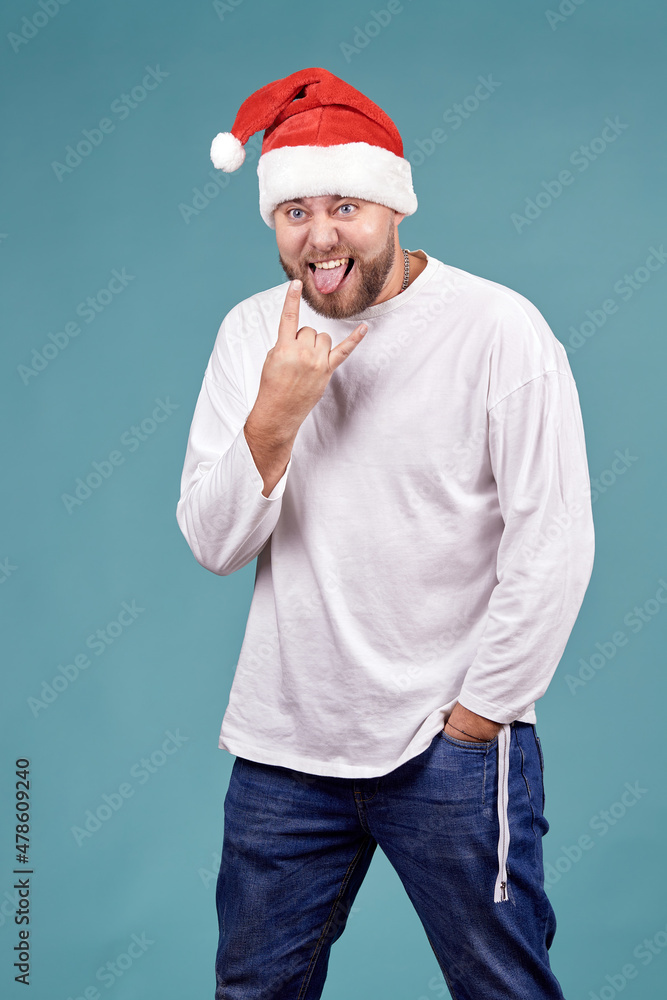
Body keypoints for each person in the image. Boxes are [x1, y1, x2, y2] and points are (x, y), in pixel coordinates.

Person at [176, 66, 595, 1000]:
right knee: (252, 992)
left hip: (445, 745)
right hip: (283, 750)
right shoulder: (251, 336)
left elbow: (553, 541)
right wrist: (275, 413)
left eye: (345, 206)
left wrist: (478, 718)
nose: (319, 237)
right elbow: (211, 542)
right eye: (294, 213)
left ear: (393, 205)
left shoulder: (498, 332)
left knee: (503, 990)